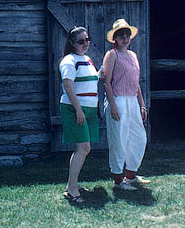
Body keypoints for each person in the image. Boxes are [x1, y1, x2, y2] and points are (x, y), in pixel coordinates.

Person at [102, 18, 149, 190]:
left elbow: (135, 82)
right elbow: (106, 82)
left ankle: (131, 175)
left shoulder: (133, 55)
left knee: (139, 137)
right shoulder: (112, 55)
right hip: (118, 99)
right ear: (115, 38)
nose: (125, 38)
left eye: (127, 35)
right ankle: (117, 180)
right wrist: (113, 105)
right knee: (119, 139)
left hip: (132, 100)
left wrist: (142, 104)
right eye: (120, 35)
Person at [59, 26, 99, 204]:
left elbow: (88, 82)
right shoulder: (69, 60)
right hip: (75, 109)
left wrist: (101, 75)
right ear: (72, 43)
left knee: (85, 148)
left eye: (87, 40)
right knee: (83, 148)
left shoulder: (87, 59)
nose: (85, 43)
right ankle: (72, 190)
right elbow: (68, 86)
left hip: (89, 109)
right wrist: (78, 109)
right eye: (81, 41)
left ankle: (72, 185)